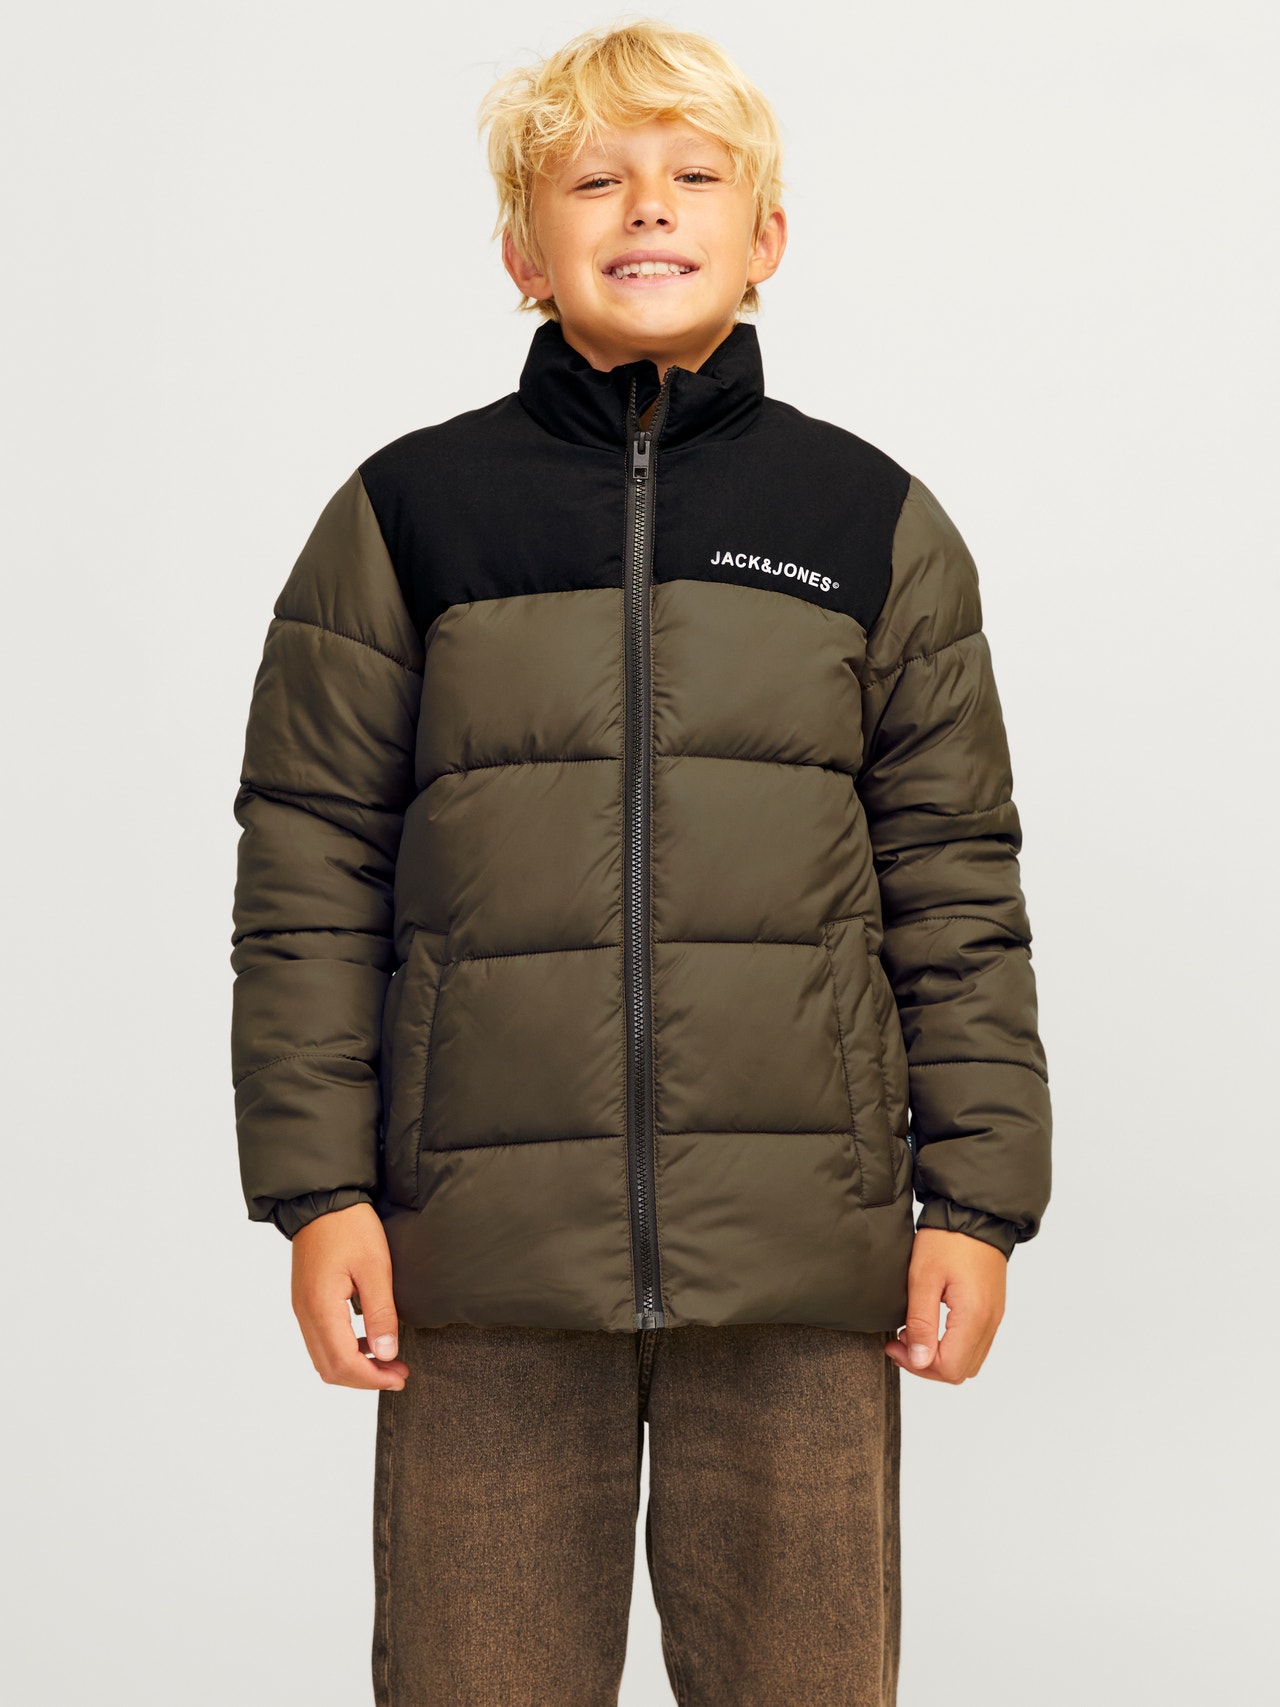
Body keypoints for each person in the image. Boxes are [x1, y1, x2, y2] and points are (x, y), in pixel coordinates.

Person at [229, 18, 1052, 1705]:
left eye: (695, 174)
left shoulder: (870, 522)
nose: (649, 206)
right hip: (484, 1258)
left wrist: (976, 1203)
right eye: (595, 179)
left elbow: (957, 887)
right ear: (524, 254)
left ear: (768, 238)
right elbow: (310, 873)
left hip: (802, 1258)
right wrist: (318, 1194)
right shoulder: (407, 515)